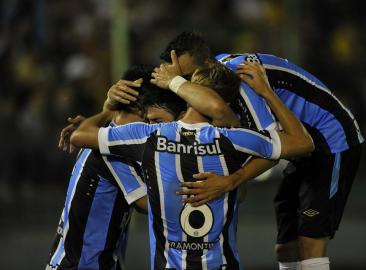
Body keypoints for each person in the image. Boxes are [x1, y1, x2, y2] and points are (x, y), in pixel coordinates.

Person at [69, 62, 314, 269]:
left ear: (190, 92)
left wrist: (109, 109)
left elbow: (79, 136)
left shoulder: (150, 136)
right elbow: (303, 143)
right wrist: (267, 93)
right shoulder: (234, 140)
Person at [156, 31, 364, 270]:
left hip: (332, 140)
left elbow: (272, 149)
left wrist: (231, 181)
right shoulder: (218, 79)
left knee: (310, 242)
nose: (187, 85)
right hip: (301, 152)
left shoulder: (241, 79)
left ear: (209, 65)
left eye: (188, 76)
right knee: (285, 247)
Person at [46, 65, 186, 270]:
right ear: (141, 108)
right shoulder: (114, 153)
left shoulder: (100, 135)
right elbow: (150, 205)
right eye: (152, 117)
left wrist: (107, 109)